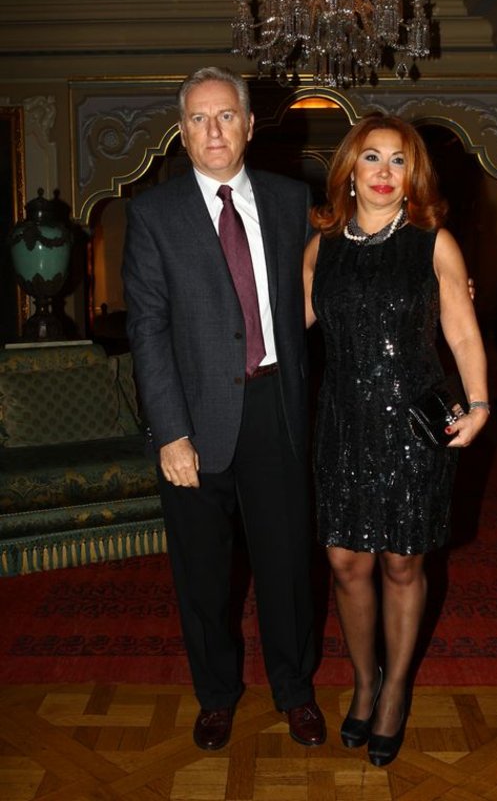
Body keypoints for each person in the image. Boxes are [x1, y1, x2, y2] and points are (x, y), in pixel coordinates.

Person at [122, 66, 325, 751]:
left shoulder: (291, 200)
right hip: (193, 419)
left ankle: (294, 691)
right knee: (203, 573)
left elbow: (316, 294)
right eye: (199, 119)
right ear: (182, 133)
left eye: (226, 115)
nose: (213, 130)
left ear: (248, 124)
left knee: (287, 566)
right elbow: (147, 329)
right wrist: (169, 432)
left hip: (277, 408)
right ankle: (215, 696)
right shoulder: (153, 214)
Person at [303, 113, 489, 766]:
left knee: (402, 562)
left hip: (413, 423)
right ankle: (364, 680)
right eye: (372, 158)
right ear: (349, 172)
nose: (385, 172)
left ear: (414, 175)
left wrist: (479, 403)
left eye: (399, 160)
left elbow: (461, 330)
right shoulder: (320, 247)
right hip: (341, 424)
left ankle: (394, 692)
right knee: (344, 562)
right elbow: (283, 324)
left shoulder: (433, 242)